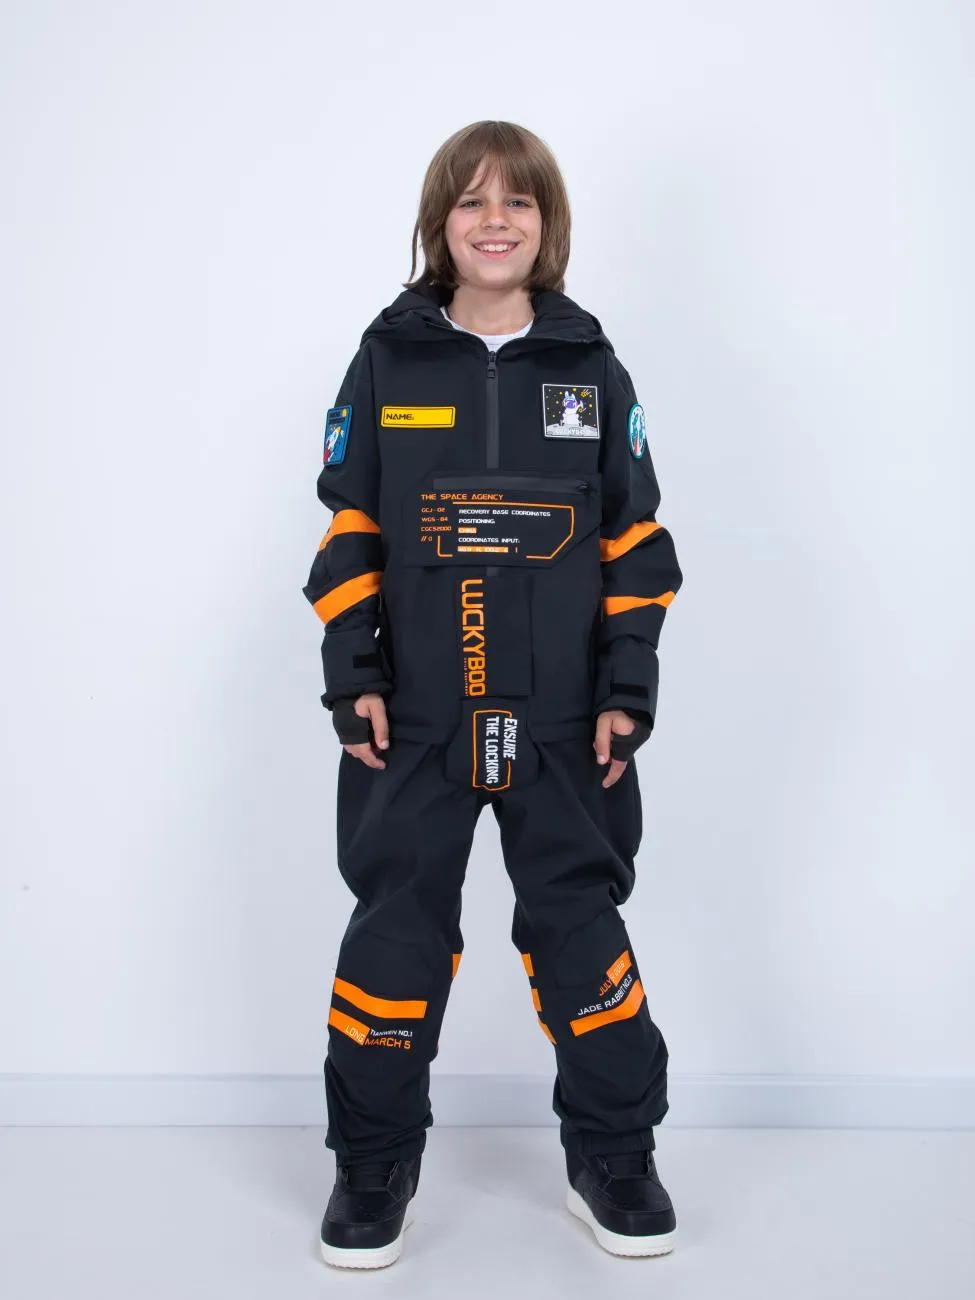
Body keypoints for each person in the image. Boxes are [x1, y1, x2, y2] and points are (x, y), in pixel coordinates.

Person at [302, 120, 683, 1270]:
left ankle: (614, 1153)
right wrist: (354, 679)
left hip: (563, 721)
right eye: (471, 201)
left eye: (517, 200)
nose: (495, 220)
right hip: (418, 719)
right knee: (395, 938)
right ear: (440, 224)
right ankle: (373, 1163)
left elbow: (636, 543)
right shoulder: (389, 359)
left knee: (579, 934)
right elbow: (350, 528)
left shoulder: (591, 366)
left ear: (546, 223)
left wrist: (626, 691)